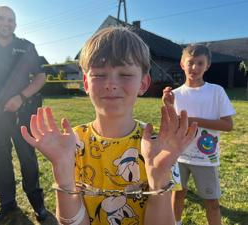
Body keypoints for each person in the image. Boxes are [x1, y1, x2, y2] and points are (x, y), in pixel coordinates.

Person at [21, 27, 198, 225]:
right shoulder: (72, 143)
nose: (111, 84)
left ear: (143, 83)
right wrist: (62, 172)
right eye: (99, 74)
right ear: (86, 83)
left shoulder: (159, 147)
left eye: (125, 74)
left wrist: (159, 178)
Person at [0, 6, 56, 223]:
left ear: (15, 23)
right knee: (0, 160)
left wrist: (21, 98)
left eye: (11, 20)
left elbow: (41, 77)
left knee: (28, 160)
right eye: (2, 19)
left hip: (23, 114)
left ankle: (37, 203)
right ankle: (7, 203)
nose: (7, 23)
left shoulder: (26, 47)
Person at [162, 44, 235, 225]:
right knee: (177, 195)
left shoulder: (216, 91)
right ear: (182, 64)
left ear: (207, 65)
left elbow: (228, 125)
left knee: (212, 202)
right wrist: (168, 106)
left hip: (205, 158)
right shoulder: (175, 94)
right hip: (179, 156)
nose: (194, 68)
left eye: (200, 63)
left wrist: (194, 120)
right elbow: (171, 126)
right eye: (191, 62)